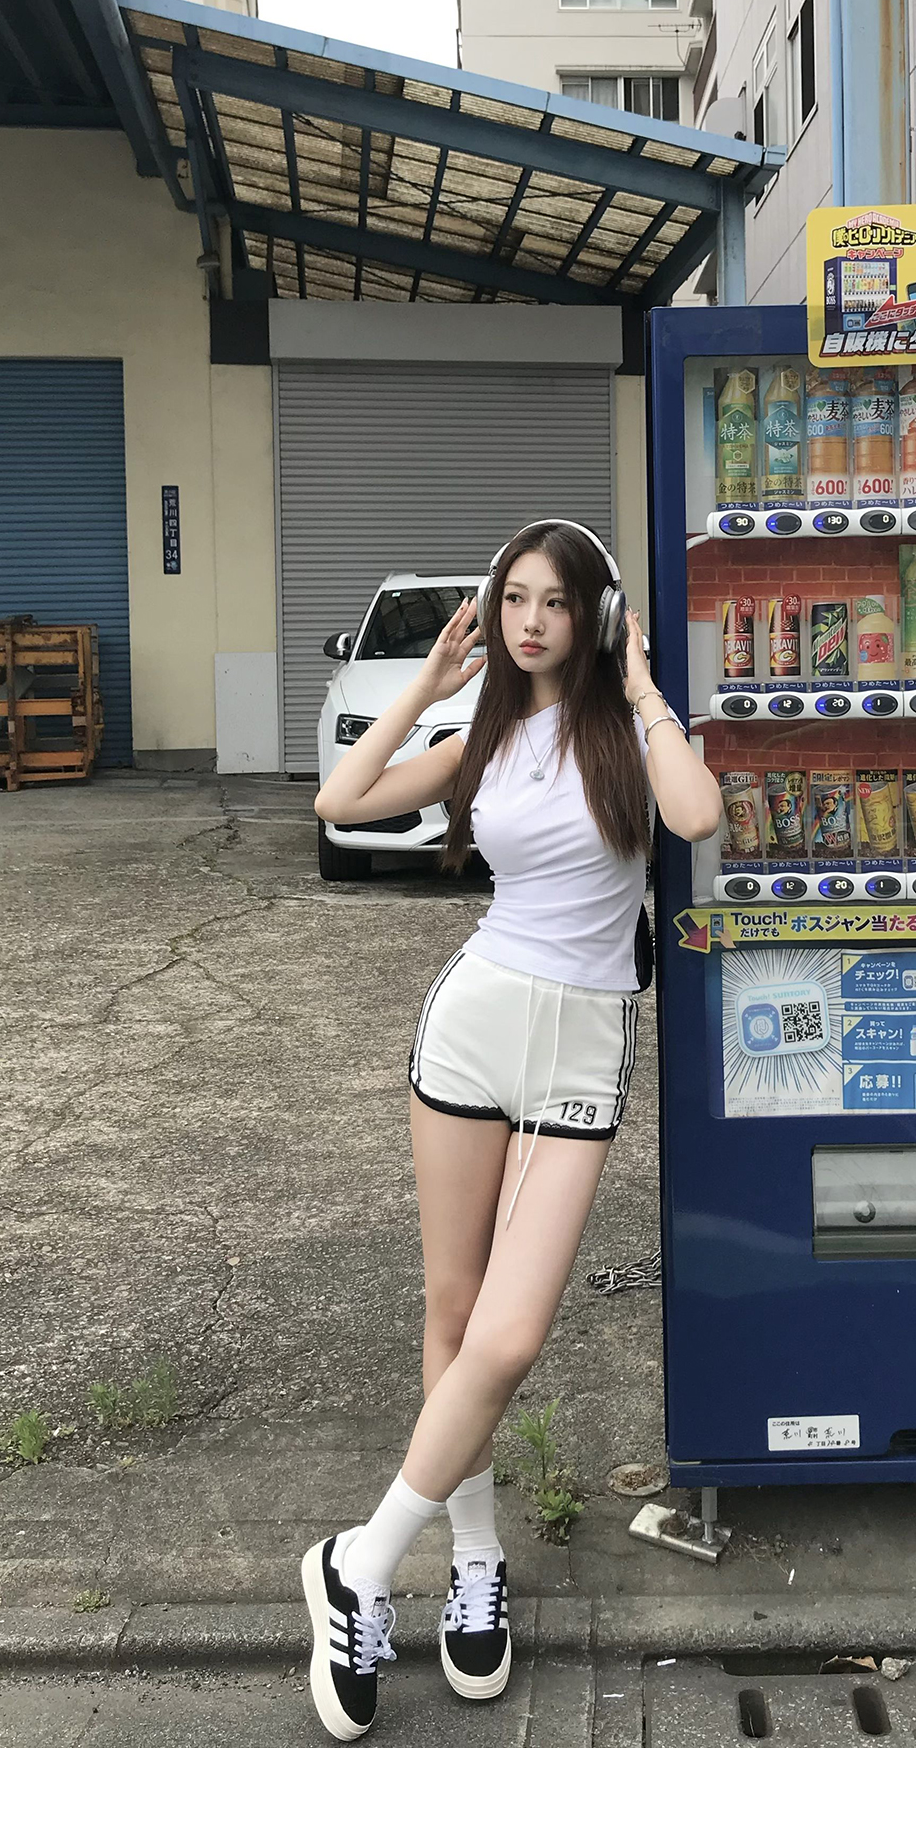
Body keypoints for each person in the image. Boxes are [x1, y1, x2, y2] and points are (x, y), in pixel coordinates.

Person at [302, 519, 722, 1742]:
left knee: (513, 1330)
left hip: (583, 1048)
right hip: (475, 1026)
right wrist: (430, 684)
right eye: (514, 599)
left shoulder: (626, 735)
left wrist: (641, 685)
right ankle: (473, 1560)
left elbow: (697, 814)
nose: (530, 621)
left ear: (594, 615)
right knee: (454, 1310)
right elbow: (341, 800)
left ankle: (360, 1561)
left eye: (555, 601)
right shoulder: (480, 733)